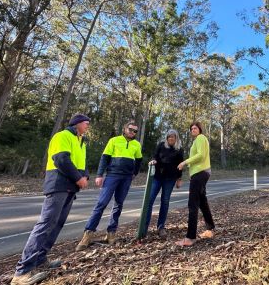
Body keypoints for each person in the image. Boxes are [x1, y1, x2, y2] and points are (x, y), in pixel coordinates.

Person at [11, 113, 90, 285]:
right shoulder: (62, 136)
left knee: (57, 224)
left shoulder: (81, 142)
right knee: (46, 224)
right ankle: (22, 272)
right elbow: (61, 159)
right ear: (76, 124)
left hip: (71, 187)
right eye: (86, 123)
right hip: (58, 185)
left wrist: (86, 176)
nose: (88, 126)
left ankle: (40, 259)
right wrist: (78, 178)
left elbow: (81, 164)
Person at [76, 121, 142, 251]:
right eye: (131, 129)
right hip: (112, 175)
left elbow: (139, 160)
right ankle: (88, 234)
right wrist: (100, 174)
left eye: (135, 131)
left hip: (126, 178)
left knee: (118, 204)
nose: (132, 132)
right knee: (101, 203)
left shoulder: (136, 144)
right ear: (124, 128)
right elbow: (104, 158)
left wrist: (134, 173)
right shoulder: (114, 140)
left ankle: (111, 233)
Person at [175, 121, 215, 246]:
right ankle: (210, 229)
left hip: (200, 173)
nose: (193, 130)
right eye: (191, 128)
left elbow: (201, 155)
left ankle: (190, 237)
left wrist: (184, 162)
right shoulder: (197, 140)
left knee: (193, 204)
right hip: (200, 173)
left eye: (195, 128)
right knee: (202, 202)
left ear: (200, 130)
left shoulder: (201, 138)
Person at [144, 129, 184, 238]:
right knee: (150, 199)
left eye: (173, 136)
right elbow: (155, 156)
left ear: (176, 138)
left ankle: (161, 227)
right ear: (167, 138)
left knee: (165, 201)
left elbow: (180, 165)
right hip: (157, 177)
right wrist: (153, 161)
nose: (171, 138)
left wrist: (179, 179)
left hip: (170, 179)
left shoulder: (179, 149)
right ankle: (144, 227)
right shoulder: (161, 145)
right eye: (169, 136)